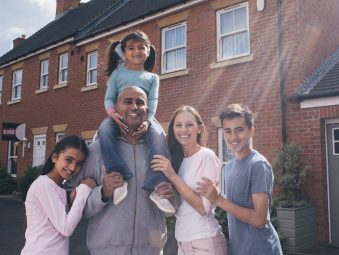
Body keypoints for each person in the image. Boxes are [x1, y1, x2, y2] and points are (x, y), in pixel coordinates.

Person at [74, 86, 178, 255]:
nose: (134, 107)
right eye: (127, 101)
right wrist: (103, 193)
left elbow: (172, 207)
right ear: (116, 108)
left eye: (140, 102)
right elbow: (77, 206)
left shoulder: (161, 152)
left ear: (147, 110)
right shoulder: (96, 151)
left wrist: (171, 198)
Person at [98, 30, 174, 212]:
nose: (136, 51)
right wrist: (111, 113)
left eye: (141, 47)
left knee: (158, 138)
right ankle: (119, 177)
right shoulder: (117, 74)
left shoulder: (152, 78)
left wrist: (148, 121)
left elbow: (153, 101)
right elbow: (109, 98)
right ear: (124, 51)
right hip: (118, 116)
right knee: (104, 131)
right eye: (131, 48)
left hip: (144, 118)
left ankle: (155, 184)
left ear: (148, 51)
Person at [197, 104, 283, 255]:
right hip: (240, 249)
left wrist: (218, 199)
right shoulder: (229, 167)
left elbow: (259, 219)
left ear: (251, 131)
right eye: (227, 131)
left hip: (261, 249)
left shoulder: (258, 165)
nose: (233, 137)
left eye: (239, 130)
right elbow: (233, 203)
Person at [151, 106, 228, 255]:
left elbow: (202, 208)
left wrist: (172, 175)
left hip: (205, 241)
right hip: (182, 241)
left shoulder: (206, 156)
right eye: (178, 125)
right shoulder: (176, 159)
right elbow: (179, 206)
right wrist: (167, 195)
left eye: (189, 124)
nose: (183, 130)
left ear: (199, 129)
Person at [21, 135, 96, 255]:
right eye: (68, 160)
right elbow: (66, 229)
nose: (73, 167)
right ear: (55, 157)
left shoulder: (57, 187)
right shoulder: (44, 185)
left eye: (79, 164)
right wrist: (84, 190)